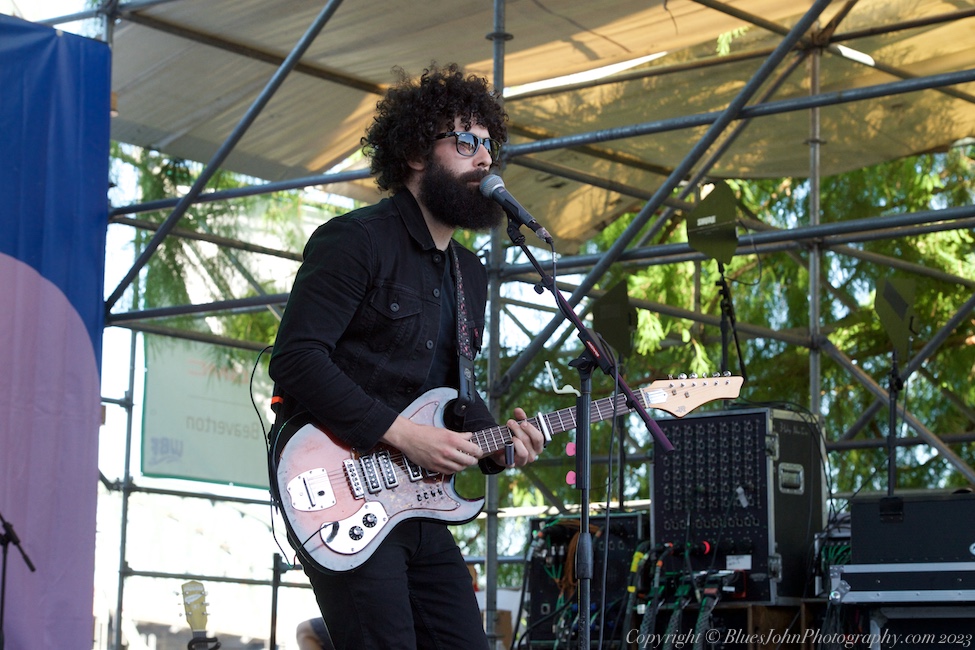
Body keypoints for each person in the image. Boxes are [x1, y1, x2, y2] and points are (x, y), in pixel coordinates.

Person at [268, 63, 546, 650]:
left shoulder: (470, 273)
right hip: (340, 488)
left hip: (417, 502)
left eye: (489, 145)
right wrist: (400, 434)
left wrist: (501, 446)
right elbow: (295, 360)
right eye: (466, 142)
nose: (484, 159)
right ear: (418, 154)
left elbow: (455, 401)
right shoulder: (355, 240)